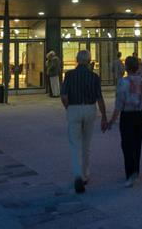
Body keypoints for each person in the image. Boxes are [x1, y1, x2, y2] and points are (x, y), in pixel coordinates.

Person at [60, 50, 108, 194]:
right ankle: (85, 174)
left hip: (74, 108)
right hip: (90, 109)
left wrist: (69, 108)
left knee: (75, 144)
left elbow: (63, 96)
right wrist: (104, 116)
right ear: (89, 61)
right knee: (86, 144)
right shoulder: (94, 77)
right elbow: (99, 98)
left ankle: (77, 175)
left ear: (76, 60)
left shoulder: (69, 75)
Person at [108, 56, 142, 187]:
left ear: (126, 67)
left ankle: (130, 173)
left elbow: (119, 104)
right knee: (137, 143)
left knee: (127, 144)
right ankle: (136, 170)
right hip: (141, 115)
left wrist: (112, 120)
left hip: (128, 116)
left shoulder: (122, 82)